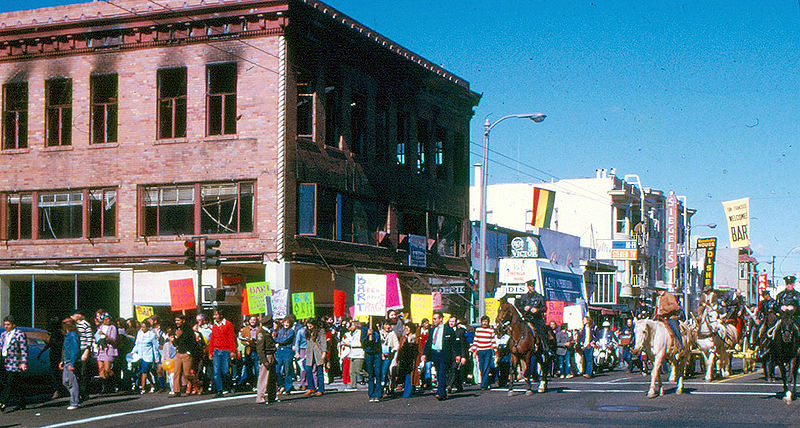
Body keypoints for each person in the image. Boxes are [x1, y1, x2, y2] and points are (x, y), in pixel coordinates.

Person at [421, 311, 455, 401]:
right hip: (435, 354)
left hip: (444, 354)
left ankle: (440, 393)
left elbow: (454, 343)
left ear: (441, 319)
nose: (433, 320)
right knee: (438, 373)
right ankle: (443, 392)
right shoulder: (432, 330)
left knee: (442, 372)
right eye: (433, 319)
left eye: (435, 319)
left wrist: (458, 355)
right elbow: (428, 343)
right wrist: (424, 354)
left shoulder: (448, 330)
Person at [514, 279, 552, 357]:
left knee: (541, 330)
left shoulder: (539, 297)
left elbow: (544, 308)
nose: (532, 287)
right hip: (526, 318)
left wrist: (537, 310)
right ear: (528, 287)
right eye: (531, 286)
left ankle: (546, 348)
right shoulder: (523, 297)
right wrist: (524, 308)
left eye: (533, 286)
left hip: (536, 319)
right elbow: (518, 306)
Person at [0, 316, 27, 412]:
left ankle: (3, 402)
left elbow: (23, 349)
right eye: (5, 324)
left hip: (14, 361)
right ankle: (21, 402)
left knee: (10, 382)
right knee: (16, 383)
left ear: (13, 325)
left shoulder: (19, 334)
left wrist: (23, 362)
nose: (6, 326)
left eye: (8, 324)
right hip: (4, 360)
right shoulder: (3, 334)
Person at [208, 310, 237, 397]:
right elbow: (212, 339)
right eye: (214, 315)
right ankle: (219, 390)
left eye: (216, 315)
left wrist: (232, 351)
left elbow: (231, 338)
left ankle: (230, 385)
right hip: (217, 350)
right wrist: (211, 352)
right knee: (216, 372)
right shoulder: (214, 326)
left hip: (226, 350)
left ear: (221, 315)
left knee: (225, 371)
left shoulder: (228, 324)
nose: (215, 317)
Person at [70, 310, 95, 401]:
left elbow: (89, 338)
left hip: (83, 350)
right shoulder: (73, 325)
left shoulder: (85, 324)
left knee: (83, 372)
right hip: (75, 350)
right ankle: (78, 392)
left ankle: (84, 392)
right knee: (76, 372)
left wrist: (87, 351)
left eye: (74, 315)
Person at [132, 320, 161, 394]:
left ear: (148, 327)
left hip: (148, 356)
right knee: (146, 372)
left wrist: (159, 354)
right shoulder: (139, 333)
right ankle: (152, 385)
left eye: (144, 327)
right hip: (140, 355)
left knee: (144, 372)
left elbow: (156, 345)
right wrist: (133, 352)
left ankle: (143, 388)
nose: (142, 329)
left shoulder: (151, 334)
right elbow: (137, 344)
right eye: (141, 327)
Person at [172, 315, 196, 397]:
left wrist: (189, 352)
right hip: (179, 353)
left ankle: (198, 383)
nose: (177, 322)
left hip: (186, 353)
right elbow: (174, 343)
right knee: (176, 372)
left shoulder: (188, 329)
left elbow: (193, 342)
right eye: (176, 320)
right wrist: (176, 337)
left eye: (178, 320)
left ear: (183, 321)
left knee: (187, 374)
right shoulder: (177, 330)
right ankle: (176, 391)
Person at [255, 315, 278, 405]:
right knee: (263, 377)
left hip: (271, 356)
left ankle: (272, 396)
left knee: (272, 378)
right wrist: (264, 360)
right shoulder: (262, 334)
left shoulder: (268, 332)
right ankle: (260, 397)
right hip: (267, 356)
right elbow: (260, 349)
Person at [471, 315, 497, 389]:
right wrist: (474, 351)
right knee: (481, 367)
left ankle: (483, 385)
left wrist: (496, 351)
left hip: (488, 350)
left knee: (486, 367)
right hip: (480, 351)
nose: (484, 323)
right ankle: (487, 382)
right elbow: (475, 341)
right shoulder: (478, 330)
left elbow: (493, 341)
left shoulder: (491, 330)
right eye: (483, 321)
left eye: (486, 321)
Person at [95, 312, 118, 394]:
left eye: (109, 319)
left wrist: (105, 336)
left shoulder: (112, 328)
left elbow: (113, 339)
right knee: (101, 368)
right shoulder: (100, 327)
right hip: (101, 349)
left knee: (107, 369)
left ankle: (112, 383)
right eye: (106, 319)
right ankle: (104, 387)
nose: (108, 320)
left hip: (109, 350)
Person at [61, 318, 81, 410]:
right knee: (66, 381)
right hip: (67, 361)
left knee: (71, 382)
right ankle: (76, 398)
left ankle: (74, 402)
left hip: (70, 361)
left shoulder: (72, 335)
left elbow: (74, 350)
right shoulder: (69, 335)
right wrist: (62, 361)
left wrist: (72, 363)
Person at [303, 319, 327, 396]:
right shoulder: (307, 331)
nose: (309, 328)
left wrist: (324, 352)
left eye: (311, 326)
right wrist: (306, 353)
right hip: (310, 353)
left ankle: (321, 389)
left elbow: (323, 342)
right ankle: (311, 388)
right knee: (308, 370)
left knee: (319, 371)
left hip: (318, 352)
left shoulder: (320, 331)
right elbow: (308, 342)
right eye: (308, 326)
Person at [237, 315, 260, 391]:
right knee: (249, 369)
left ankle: (258, 384)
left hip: (257, 351)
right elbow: (242, 340)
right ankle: (252, 384)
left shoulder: (259, 329)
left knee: (257, 369)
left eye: (254, 320)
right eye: (251, 320)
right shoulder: (245, 329)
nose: (253, 321)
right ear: (249, 321)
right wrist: (246, 343)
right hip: (248, 351)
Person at [362, 318, 382, 402]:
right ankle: (371, 394)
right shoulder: (364, 328)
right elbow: (362, 342)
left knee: (378, 373)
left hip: (377, 353)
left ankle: (378, 394)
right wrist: (367, 335)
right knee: (370, 374)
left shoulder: (377, 328)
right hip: (369, 353)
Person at [275, 317, 296, 395]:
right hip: (280, 350)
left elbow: (285, 340)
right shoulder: (280, 331)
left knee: (287, 370)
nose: (286, 324)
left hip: (288, 350)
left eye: (288, 323)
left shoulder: (291, 331)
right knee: (277, 370)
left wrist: (277, 341)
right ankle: (282, 385)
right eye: (285, 322)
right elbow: (276, 338)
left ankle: (288, 388)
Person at [397, 323, 418, 398]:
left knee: (410, 375)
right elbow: (400, 348)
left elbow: (418, 349)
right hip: (404, 359)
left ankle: (407, 392)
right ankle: (407, 391)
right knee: (405, 375)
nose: (405, 330)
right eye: (405, 328)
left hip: (413, 359)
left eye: (407, 328)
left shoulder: (415, 338)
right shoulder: (403, 338)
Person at [379, 319, 399, 397]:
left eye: (389, 325)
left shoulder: (392, 333)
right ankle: (386, 385)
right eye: (386, 325)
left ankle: (383, 387)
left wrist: (392, 351)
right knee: (382, 371)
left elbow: (396, 345)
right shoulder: (380, 333)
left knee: (385, 371)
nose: (387, 326)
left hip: (388, 356)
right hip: (380, 355)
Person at [447, 316, 467, 393]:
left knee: (454, 369)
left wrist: (463, 356)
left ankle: (449, 385)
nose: (451, 323)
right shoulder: (447, 331)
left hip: (457, 354)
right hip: (448, 354)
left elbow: (463, 345)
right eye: (450, 321)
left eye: (453, 321)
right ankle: (459, 386)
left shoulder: (460, 332)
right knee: (454, 371)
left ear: (456, 322)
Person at [345, 321, 366, 390]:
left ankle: (370, 377)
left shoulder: (360, 332)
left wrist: (350, 344)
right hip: (353, 353)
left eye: (352, 325)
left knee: (358, 370)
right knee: (352, 371)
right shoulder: (354, 333)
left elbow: (358, 343)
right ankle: (353, 384)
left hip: (359, 353)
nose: (350, 327)